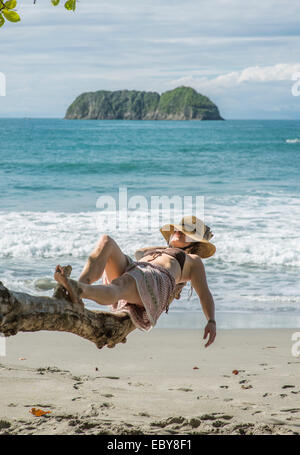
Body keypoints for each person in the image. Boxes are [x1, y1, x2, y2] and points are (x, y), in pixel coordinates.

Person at [54, 215, 217, 347]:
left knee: (120, 285)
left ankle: (79, 289)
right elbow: (139, 252)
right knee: (106, 241)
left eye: (186, 232)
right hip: (137, 267)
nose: (178, 232)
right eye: (178, 229)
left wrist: (211, 320)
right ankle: (79, 288)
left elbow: (204, 293)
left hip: (155, 277)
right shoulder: (160, 250)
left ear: (195, 243)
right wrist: (168, 247)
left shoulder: (193, 260)